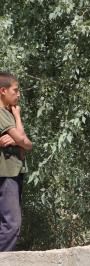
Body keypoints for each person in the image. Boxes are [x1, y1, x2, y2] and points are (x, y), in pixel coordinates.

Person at [0, 72, 33, 251]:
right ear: (3, 91)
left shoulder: (9, 113)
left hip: (14, 170)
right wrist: (20, 140)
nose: (18, 94)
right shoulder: (2, 113)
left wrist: (18, 117)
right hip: (6, 173)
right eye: (15, 90)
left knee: (7, 223)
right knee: (12, 224)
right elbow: (25, 142)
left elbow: (25, 143)